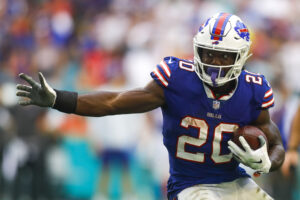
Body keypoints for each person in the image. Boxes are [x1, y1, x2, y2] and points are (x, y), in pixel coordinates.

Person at [16, 13, 285, 200]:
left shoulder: (253, 89)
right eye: (208, 53)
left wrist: (266, 162)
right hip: (192, 186)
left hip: (235, 182)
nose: (214, 61)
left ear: (240, 57)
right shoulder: (177, 79)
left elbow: (276, 145)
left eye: (223, 55)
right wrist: (57, 99)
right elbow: (114, 102)